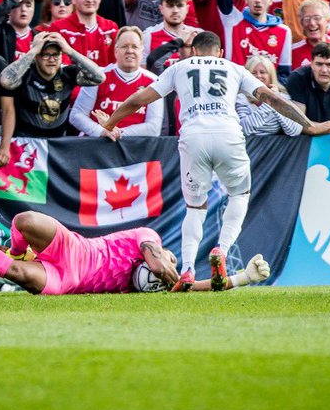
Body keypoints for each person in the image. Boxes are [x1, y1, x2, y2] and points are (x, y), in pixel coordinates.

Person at [100, 31, 314, 289]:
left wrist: (110, 122)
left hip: (193, 137)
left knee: (195, 208)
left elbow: (139, 99)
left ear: (194, 51)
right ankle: (221, 251)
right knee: (239, 195)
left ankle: (188, 269)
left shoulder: (180, 67)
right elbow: (272, 97)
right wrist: (308, 124)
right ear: (220, 52)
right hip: (228, 135)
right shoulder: (233, 68)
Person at [0, 210, 272, 294]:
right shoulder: (147, 238)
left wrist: (243, 278)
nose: (170, 263)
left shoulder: (156, 285)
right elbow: (157, 259)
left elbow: (199, 287)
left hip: (69, 279)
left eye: (173, 264)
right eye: (172, 258)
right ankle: (17, 250)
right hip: (75, 247)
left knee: (18, 276)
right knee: (23, 219)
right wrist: (169, 271)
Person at [0, 31, 105, 139]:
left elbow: (99, 77)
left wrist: (70, 50)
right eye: (45, 54)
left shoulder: (68, 74)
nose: (51, 59)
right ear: (36, 56)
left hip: (57, 145)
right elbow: (6, 81)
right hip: (27, 144)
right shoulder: (25, 74)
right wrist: (34, 50)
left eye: (55, 54)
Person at [69, 26, 161, 138]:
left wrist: (117, 133)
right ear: (116, 51)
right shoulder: (98, 76)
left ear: (142, 51)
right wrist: (101, 132)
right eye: (124, 46)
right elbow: (76, 115)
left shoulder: (153, 81)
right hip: (96, 144)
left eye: (135, 47)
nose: (130, 51)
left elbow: (154, 127)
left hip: (134, 148)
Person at [49, 0, 120, 65]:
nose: (89, 0)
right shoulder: (59, 28)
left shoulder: (111, 28)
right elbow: (63, 68)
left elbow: (116, 66)